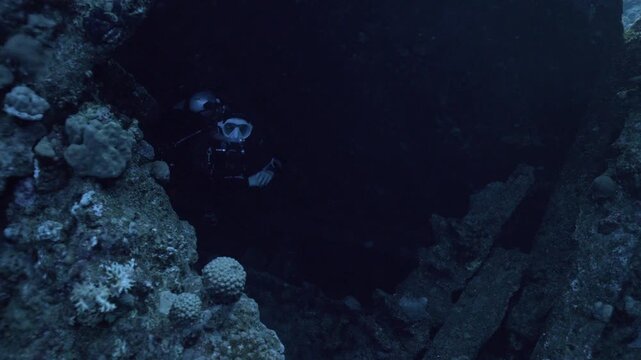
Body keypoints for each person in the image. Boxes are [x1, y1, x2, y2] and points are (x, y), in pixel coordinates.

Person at [163, 90, 282, 245]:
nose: (235, 135)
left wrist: (270, 170)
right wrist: (246, 182)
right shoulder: (204, 146)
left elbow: (278, 160)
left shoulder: (253, 147)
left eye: (243, 130)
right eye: (230, 128)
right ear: (220, 127)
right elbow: (201, 184)